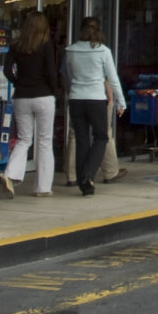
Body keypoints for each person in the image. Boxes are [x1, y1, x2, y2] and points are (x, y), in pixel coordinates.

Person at [63, 16, 124, 196]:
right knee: (101, 137)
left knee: (81, 139)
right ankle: (88, 175)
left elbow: (70, 74)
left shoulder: (70, 50)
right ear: (98, 31)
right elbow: (113, 79)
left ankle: (84, 182)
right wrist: (121, 101)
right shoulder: (103, 51)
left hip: (76, 99)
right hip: (96, 99)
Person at [4, 11, 61, 197]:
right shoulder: (46, 45)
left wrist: (17, 82)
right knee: (44, 141)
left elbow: (6, 70)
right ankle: (43, 188)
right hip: (44, 96)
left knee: (24, 139)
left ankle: (10, 174)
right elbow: (52, 72)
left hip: (22, 96)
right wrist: (55, 91)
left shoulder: (16, 45)